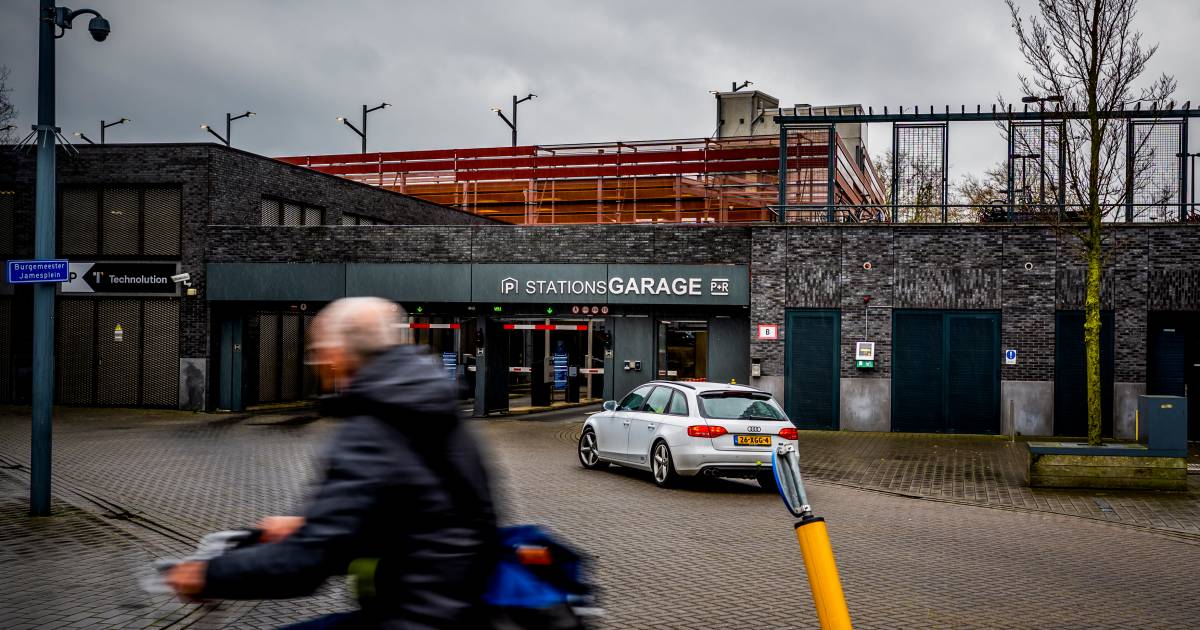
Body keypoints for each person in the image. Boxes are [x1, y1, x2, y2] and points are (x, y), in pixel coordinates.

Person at [167, 297, 498, 629]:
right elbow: (415, 516)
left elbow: (307, 564)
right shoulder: (432, 406)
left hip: (414, 615)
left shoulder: (374, 426)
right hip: (457, 606)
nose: (316, 361)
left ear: (337, 354)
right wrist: (310, 525)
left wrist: (206, 574)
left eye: (318, 350)